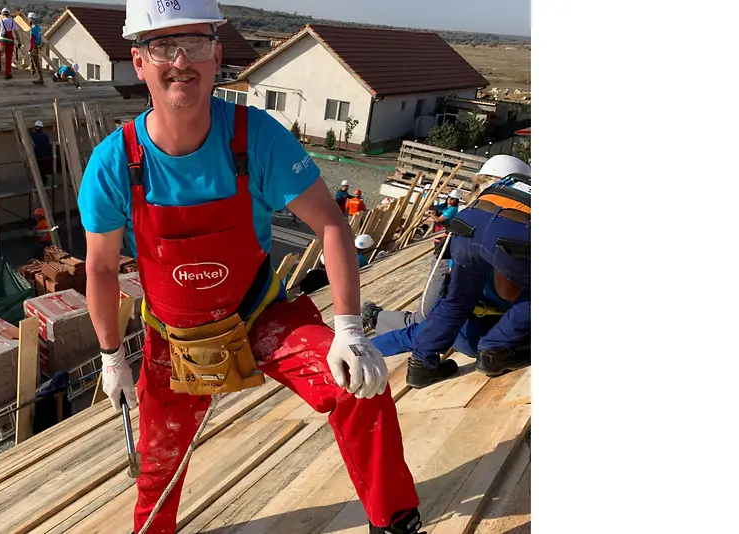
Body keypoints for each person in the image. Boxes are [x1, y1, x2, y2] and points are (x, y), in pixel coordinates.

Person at [77, 2, 422, 533]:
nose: (178, 61)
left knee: (358, 385)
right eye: (160, 47)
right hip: (173, 337)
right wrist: (109, 356)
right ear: (138, 62)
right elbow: (99, 270)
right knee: (157, 465)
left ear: (216, 56)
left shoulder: (254, 137)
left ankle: (395, 521)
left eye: (192, 44)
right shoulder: (115, 163)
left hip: (259, 315)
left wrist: (350, 331)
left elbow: (331, 225)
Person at [364, 172, 531, 389]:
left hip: (469, 223)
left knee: (458, 298)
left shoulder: (514, 182)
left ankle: (421, 365)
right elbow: (509, 289)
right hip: (508, 232)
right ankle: (495, 351)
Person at [0, 7, 16, 79]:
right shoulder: (13, 21)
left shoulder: (0, 21)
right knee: (8, 58)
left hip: (2, 42)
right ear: (8, 14)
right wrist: (19, 40)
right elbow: (16, 32)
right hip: (10, 42)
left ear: (2, 14)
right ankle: (8, 74)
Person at [27, 12, 44, 84]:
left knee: (36, 63)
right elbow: (40, 38)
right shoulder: (38, 27)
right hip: (38, 46)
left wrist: (30, 49)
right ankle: (32, 69)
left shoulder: (33, 29)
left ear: (31, 19)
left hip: (34, 47)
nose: (28, 20)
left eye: (28, 19)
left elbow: (32, 40)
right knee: (33, 59)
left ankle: (40, 78)